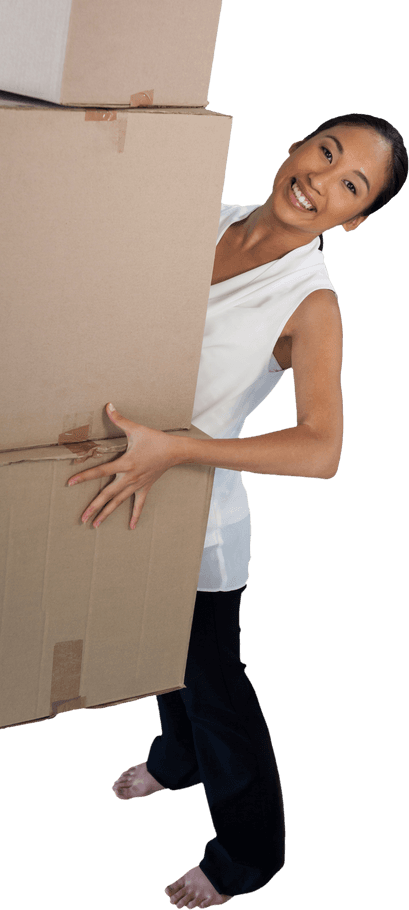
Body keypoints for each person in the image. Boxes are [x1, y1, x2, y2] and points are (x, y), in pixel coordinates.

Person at [67, 113, 408, 907]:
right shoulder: (201, 214)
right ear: (292, 146)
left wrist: (181, 448)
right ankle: (174, 759)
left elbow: (321, 449)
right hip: (130, 485)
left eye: (349, 184)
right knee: (154, 646)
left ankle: (248, 856)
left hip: (198, 521)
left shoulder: (310, 307)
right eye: (325, 153)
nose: (322, 180)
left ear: (352, 219)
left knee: (213, 684)